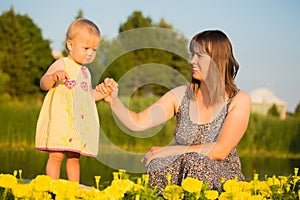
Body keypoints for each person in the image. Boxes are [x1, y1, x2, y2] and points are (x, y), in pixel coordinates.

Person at [97, 30, 251, 191]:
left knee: (194, 161)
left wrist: (171, 150)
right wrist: (113, 100)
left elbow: (221, 150)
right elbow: (138, 122)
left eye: (199, 55)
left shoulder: (239, 100)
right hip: (182, 171)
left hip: (223, 178)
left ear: (217, 60)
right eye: (192, 54)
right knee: (158, 163)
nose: (192, 60)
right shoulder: (180, 95)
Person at [35, 18, 113, 182]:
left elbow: (87, 97)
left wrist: (102, 92)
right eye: (86, 48)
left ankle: (73, 188)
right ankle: (52, 187)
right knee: (56, 155)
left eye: (94, 49)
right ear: (70, 45)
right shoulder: (61, 63)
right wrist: (53, 77)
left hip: (78, 123)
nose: (90, 53)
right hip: (61, 119)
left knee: (74, 157)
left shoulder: (86, 72)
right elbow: (43, 83)